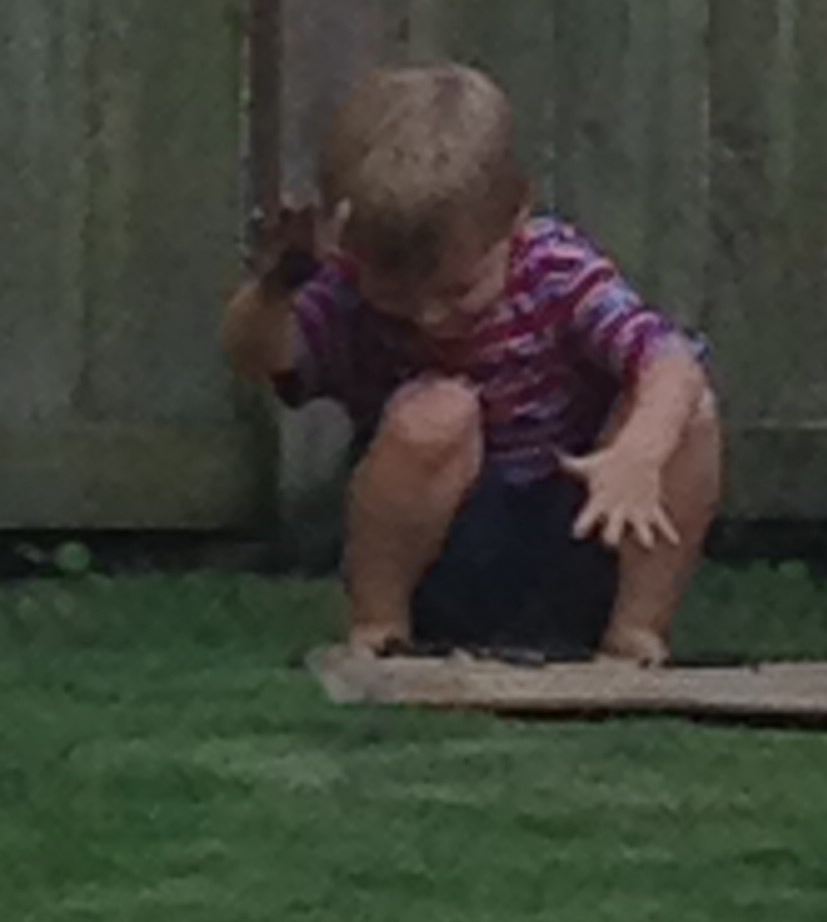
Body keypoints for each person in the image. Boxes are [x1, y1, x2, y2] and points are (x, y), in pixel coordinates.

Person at [223, 63, 720, 663]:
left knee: (686, 414)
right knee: (438, 410)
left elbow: (670, 360)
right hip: (446, 552)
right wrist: (276, 288)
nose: (430, 316)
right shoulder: (348, 286)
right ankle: (381, 626)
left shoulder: (556, 271)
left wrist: (636, 455)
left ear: (516, 218)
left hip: (587, 520)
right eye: (397, 293)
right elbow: (261, 359)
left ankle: (636, 629)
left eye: (458, 290)